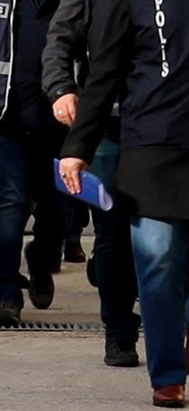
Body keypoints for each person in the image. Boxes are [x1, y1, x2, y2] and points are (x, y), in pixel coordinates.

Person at [58, 0, 189, 406]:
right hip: (152, 148)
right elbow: (104, 72)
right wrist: (78, 147)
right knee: (159, 265)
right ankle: (167, 375)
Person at [40, 0, 142, 367]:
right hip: (106, 125)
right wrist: (60, 88)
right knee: (113, 231)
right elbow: (60, 38)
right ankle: (119, 330)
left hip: (163, 126)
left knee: (157, 233)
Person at [0, 0, 68, 327]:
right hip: (8, 121)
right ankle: (7, 293)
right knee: (10, 205)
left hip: (58, 125)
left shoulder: (70, 5)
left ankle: (42, 259)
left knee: (57, 208)